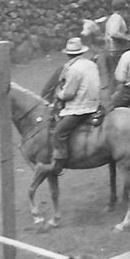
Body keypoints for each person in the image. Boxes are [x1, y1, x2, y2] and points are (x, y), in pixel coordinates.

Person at [50, 37, 101, 175]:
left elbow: (69, 94)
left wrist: (59, 93)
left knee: (58, 133)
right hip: (95, 103)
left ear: (68, 54)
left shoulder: (73, 69)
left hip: (80, 108)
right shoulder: (91, 64)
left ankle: (59, 162)